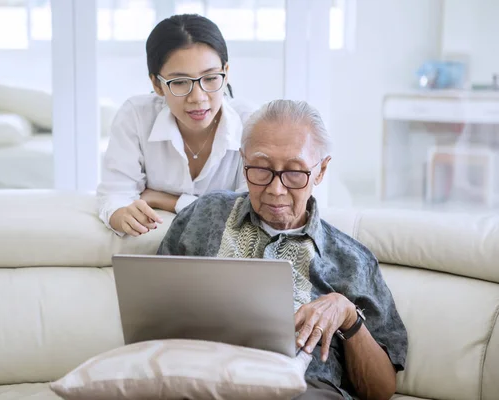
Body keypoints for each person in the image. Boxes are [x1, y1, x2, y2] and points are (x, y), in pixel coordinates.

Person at [157, 99, 408, 400]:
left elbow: (381, 390)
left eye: (294, 173)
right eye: (261, 169)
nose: (276, 190)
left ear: (321, 170)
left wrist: (348, 315)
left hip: (303, 389)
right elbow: (153, 307)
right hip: (203, 377)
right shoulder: (204, 215)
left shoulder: (351, 260)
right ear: (243, 160)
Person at [96, 14, 255, 237]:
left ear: (226, 73)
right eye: (180, 82)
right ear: (157, 84)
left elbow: (250, 212)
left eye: (210, 78)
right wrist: (121, 214)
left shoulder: (251, 124)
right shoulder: (136, 115)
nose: (198, 97)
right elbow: (114, 194)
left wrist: (170, 201)